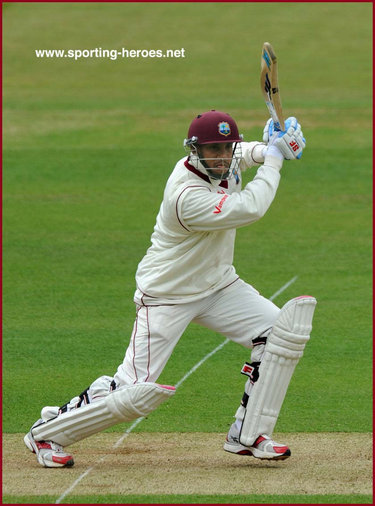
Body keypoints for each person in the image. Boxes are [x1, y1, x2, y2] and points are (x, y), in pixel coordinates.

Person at [24, 110, 316, 468]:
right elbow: (251, 207)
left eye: (227, 147)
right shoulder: (186, 194)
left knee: (280, 333)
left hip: (218, 285)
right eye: (213, 150)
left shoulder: (223, 159)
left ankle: (247, 433)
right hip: (167, 294)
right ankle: (46, 432)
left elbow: (243, 154)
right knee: (131, 390)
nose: (223, 156)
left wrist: (269, 144)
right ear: (195, 152)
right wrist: (274, 160)